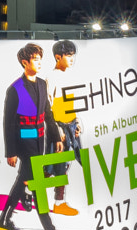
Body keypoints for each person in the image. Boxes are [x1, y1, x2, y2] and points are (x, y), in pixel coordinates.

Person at [0, 43, 74, 230]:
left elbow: (48, 113)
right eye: (36, 59)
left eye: (41, 58)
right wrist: (11, 151)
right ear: (25, 62)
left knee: (24, 178)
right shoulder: (14, 89)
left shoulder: (41, 83)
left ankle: (4, 220)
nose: (40, 62)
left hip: (40, 139)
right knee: (38, 184)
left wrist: (56, 136)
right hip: (23, 141)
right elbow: (8, 122)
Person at [47, 39, 84, 215]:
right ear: (58, 57)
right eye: (68, 55)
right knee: (55, 165)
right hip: (59, 128)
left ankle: (57, 201)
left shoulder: (71, 75)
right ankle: (57, 202)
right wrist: (57, 129)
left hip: (71, 126)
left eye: (73, 55)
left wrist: (77, 122)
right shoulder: (52, 77)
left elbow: (73, 103)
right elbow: (48, 106)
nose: (72, 59)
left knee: (64, 164)